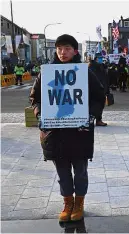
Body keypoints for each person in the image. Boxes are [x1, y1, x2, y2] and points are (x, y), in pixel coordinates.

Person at [29, 34, 105, 223]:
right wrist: (39, 113)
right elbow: (34, 98)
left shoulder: (84, 72)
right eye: (60, 49)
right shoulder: (46, 73)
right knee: (63, 173)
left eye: (67, 49)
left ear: (75, 51)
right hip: (55, 133)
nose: (63, 53)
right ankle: (67, 203)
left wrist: (91, 115)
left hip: (80, 131)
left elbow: (99, 95)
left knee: (80, 171)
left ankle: (79, 203)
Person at [88, 56, 108, 127]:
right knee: (95, 105)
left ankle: (98, 120)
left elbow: (104, 77)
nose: (101, 60)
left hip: (102, 87)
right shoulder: (92, 66)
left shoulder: (101, 66)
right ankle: (94, 120)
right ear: (95, 59)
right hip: (94, 89)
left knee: (101, 105)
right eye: (99, 58)